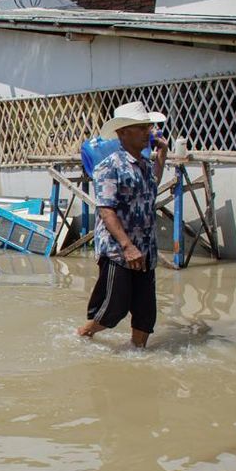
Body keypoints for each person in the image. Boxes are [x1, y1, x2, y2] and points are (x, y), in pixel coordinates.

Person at [78, 101, 168, 348]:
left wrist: (162, 155)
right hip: (119, 251)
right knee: (112, 310)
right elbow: (106, 210)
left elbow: (152, 184)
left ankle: (138, 357)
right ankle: (82, 336)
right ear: (123, 133)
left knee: (145, 314)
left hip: (145, 249)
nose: (148, 132)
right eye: (141, 128)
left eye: (148, 127)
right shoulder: (109, 167)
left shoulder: (145, 165)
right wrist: (127, 246)